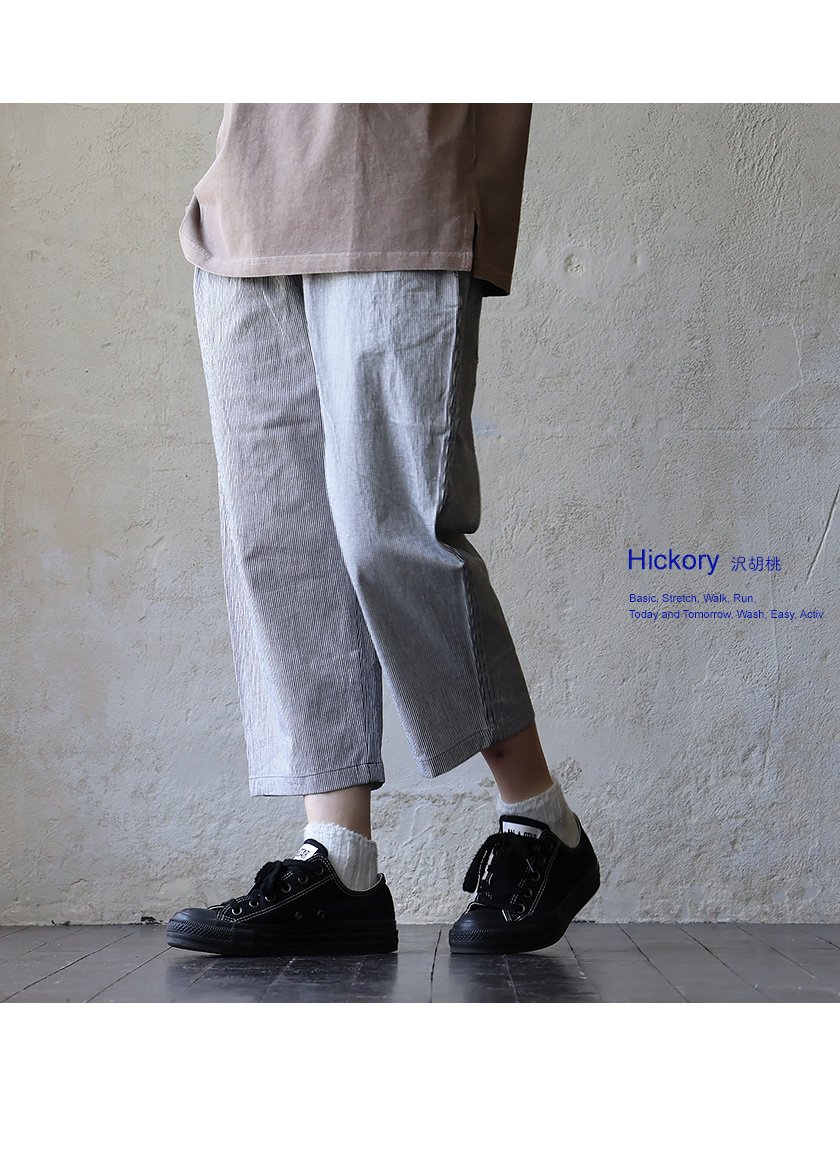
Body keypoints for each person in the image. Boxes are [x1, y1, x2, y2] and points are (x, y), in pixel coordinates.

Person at [166, 103, 600, 958]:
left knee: (390, 534)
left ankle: (540, 818)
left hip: (402, 180)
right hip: (247, 204)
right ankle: (341, 860)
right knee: (282, 545)